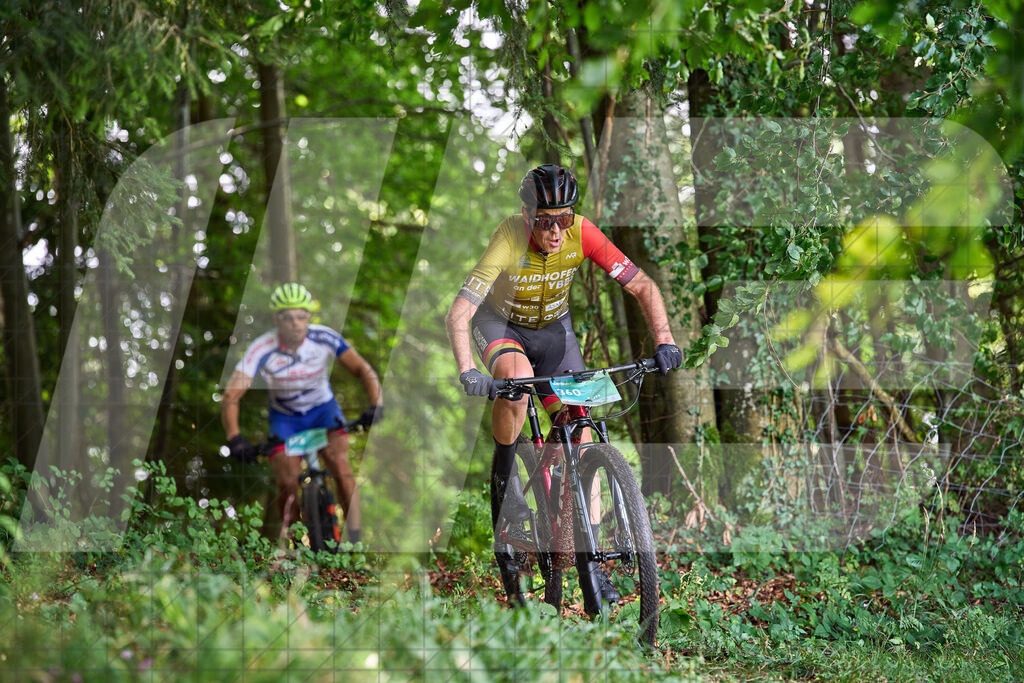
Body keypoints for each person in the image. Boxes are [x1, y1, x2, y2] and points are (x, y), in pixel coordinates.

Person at [444, 164, 682, 611]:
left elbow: (643, 287)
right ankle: (506, 480)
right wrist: (466, 370)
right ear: (526, 213)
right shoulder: (510, 237)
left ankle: (591, 560)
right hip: (502, 326)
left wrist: (665, 341)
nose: (555, 231)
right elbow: (459, 312)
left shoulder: (583, 234)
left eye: (564, 218)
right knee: (513, 384)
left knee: (583, 429)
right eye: (544, 220)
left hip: (555, 334)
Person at [221, 282, 382, 544]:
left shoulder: (324, 337)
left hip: (323, 411)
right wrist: (235, 438)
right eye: (288, 317)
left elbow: (363, 369)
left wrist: (376, 405)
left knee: (340, 465)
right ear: (277, 319)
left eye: (301, 316)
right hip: (285, 419)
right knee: (286, 482)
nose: (295, 323)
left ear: (309, 317)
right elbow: (231, 395)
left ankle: (356, 540)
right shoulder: (262, 348)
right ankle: (298, 545)